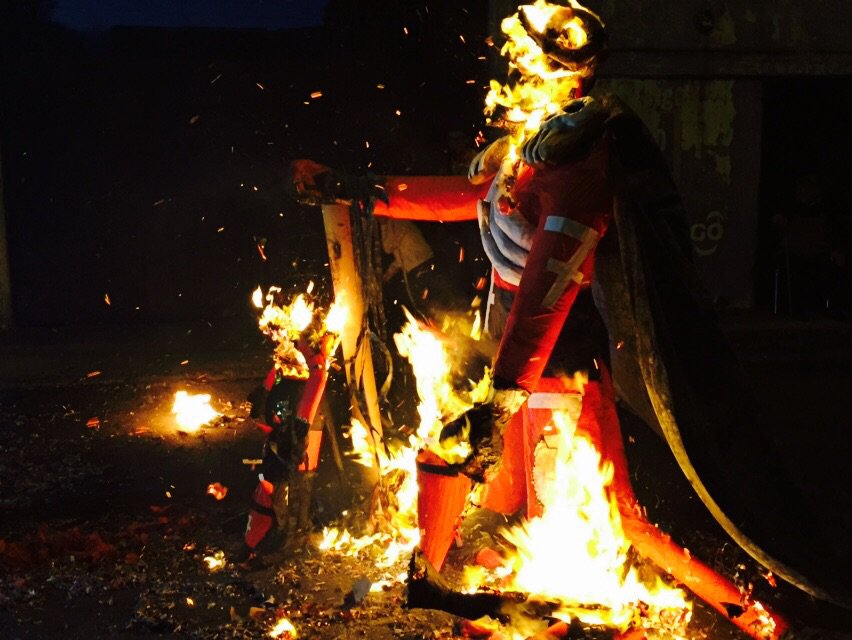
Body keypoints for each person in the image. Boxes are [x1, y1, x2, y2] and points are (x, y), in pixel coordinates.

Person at [292, 0, 851, 615]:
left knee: (611, 512)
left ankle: (754, 613)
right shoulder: (523, 146)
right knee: (491, 483)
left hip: (559, 354)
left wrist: (501, 401)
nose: (508, 72)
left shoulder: (580, 161)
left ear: (555, 72)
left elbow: (549, 283)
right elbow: (464, 198)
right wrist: (353, 188)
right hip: (510, 340)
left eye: (524, 61)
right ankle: (432, 577)